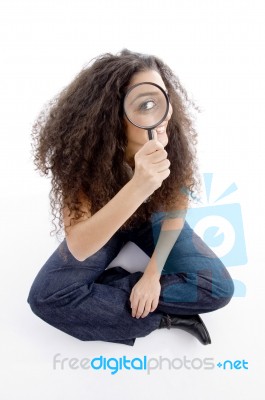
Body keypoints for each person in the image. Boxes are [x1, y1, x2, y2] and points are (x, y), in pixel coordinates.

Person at [27, 49, 234, 346]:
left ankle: (113, 288)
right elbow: (80, 246)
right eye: (147, 104)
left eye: (164, 99)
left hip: (153, 220)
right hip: (105, 223)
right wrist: (139, 185)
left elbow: (176, 207)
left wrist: (151, 277)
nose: (163, 115)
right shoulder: (82, 157)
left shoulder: (169, 138)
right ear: (113, 113)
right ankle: (166, 319)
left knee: (218, 288)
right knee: (46, 298)